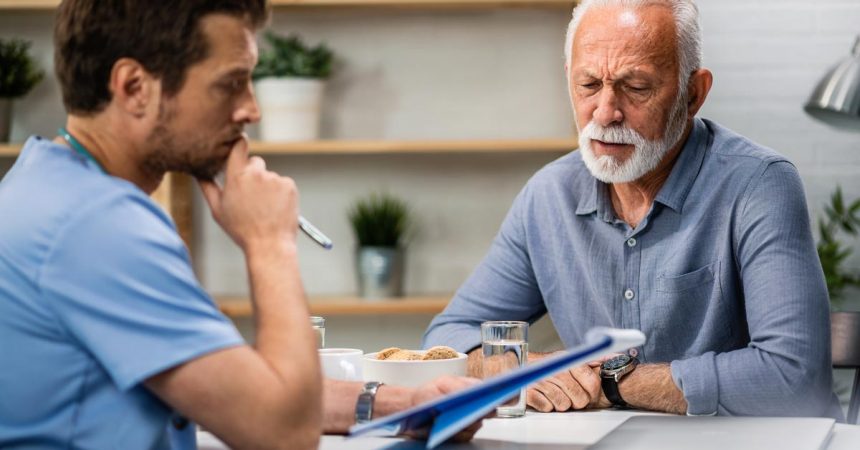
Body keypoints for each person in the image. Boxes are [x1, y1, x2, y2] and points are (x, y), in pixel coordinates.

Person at [0, 1, 480, 449]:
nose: (252, 109)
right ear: (133, 88)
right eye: (231, 83)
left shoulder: (46, 181)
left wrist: (401, 403)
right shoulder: (101, 227)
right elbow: (282, 430)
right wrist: (269, 242)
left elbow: (233, 386)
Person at [423, 0, 844, 420]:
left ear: (693, 93)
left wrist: (612, 383)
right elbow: (444, 340)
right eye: (588, 85)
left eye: (637, 87)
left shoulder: (759, 184)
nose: (605, 114)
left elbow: (795, 378)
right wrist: (518, 367)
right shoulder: (548, 196)